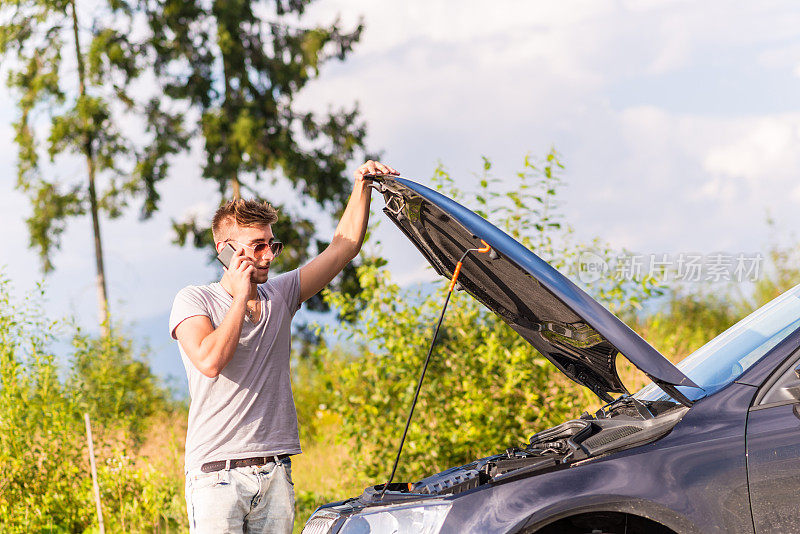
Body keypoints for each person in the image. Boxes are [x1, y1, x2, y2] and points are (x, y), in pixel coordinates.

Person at [169, 160, 399, 533]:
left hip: (275, 471)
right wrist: (241, 295)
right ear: (224, 250)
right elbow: (210, 361)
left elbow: (344, 247)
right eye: (256, 247)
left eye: (271, 245)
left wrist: (362, 185)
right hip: (216, 477)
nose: (267, 256)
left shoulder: (281, 294)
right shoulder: (194, 301)